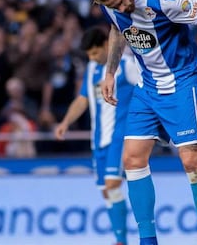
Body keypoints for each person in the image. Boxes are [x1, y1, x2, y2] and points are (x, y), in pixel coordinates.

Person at [89, 0, 197, 245]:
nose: (121, 9)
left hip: (182, 82)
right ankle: (147, 241)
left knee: (191, 161)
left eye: (121, 2)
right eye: (113, 7)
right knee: (131, 159)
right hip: (147, 86)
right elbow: (118, 29)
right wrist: (110, 72)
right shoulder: (112, 4)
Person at [54, 26, 141, 245]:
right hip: (98, 139)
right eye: (89, 55)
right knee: (106, 192)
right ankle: (120, 238)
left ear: (106, 45)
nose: (92, 58)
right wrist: (66, 122)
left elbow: (147, 87)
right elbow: (83, 99)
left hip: (119, 136)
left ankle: (122, 241)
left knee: (113, 185)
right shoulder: (92, 69)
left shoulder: (126, 65)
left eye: (95, 52)